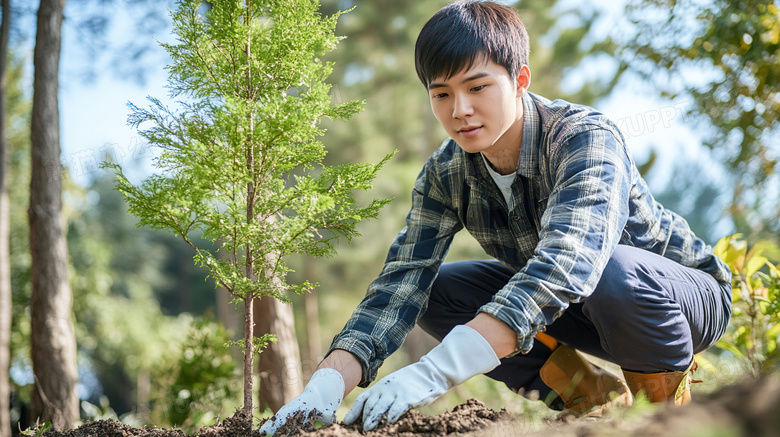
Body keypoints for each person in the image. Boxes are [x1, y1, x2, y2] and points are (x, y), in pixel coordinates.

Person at [259, 1, 732, 434]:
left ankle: (665, 414)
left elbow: (569, 264)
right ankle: (593, 399)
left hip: (673, 302)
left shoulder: (584, 139)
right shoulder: (446, 173)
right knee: (436, 292)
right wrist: (325, 384)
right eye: (441, 94)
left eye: (477, 87)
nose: (460, 110)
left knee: (612, 272)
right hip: (578, 311)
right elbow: (399, 286)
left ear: (520, 80)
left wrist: (434, 371)